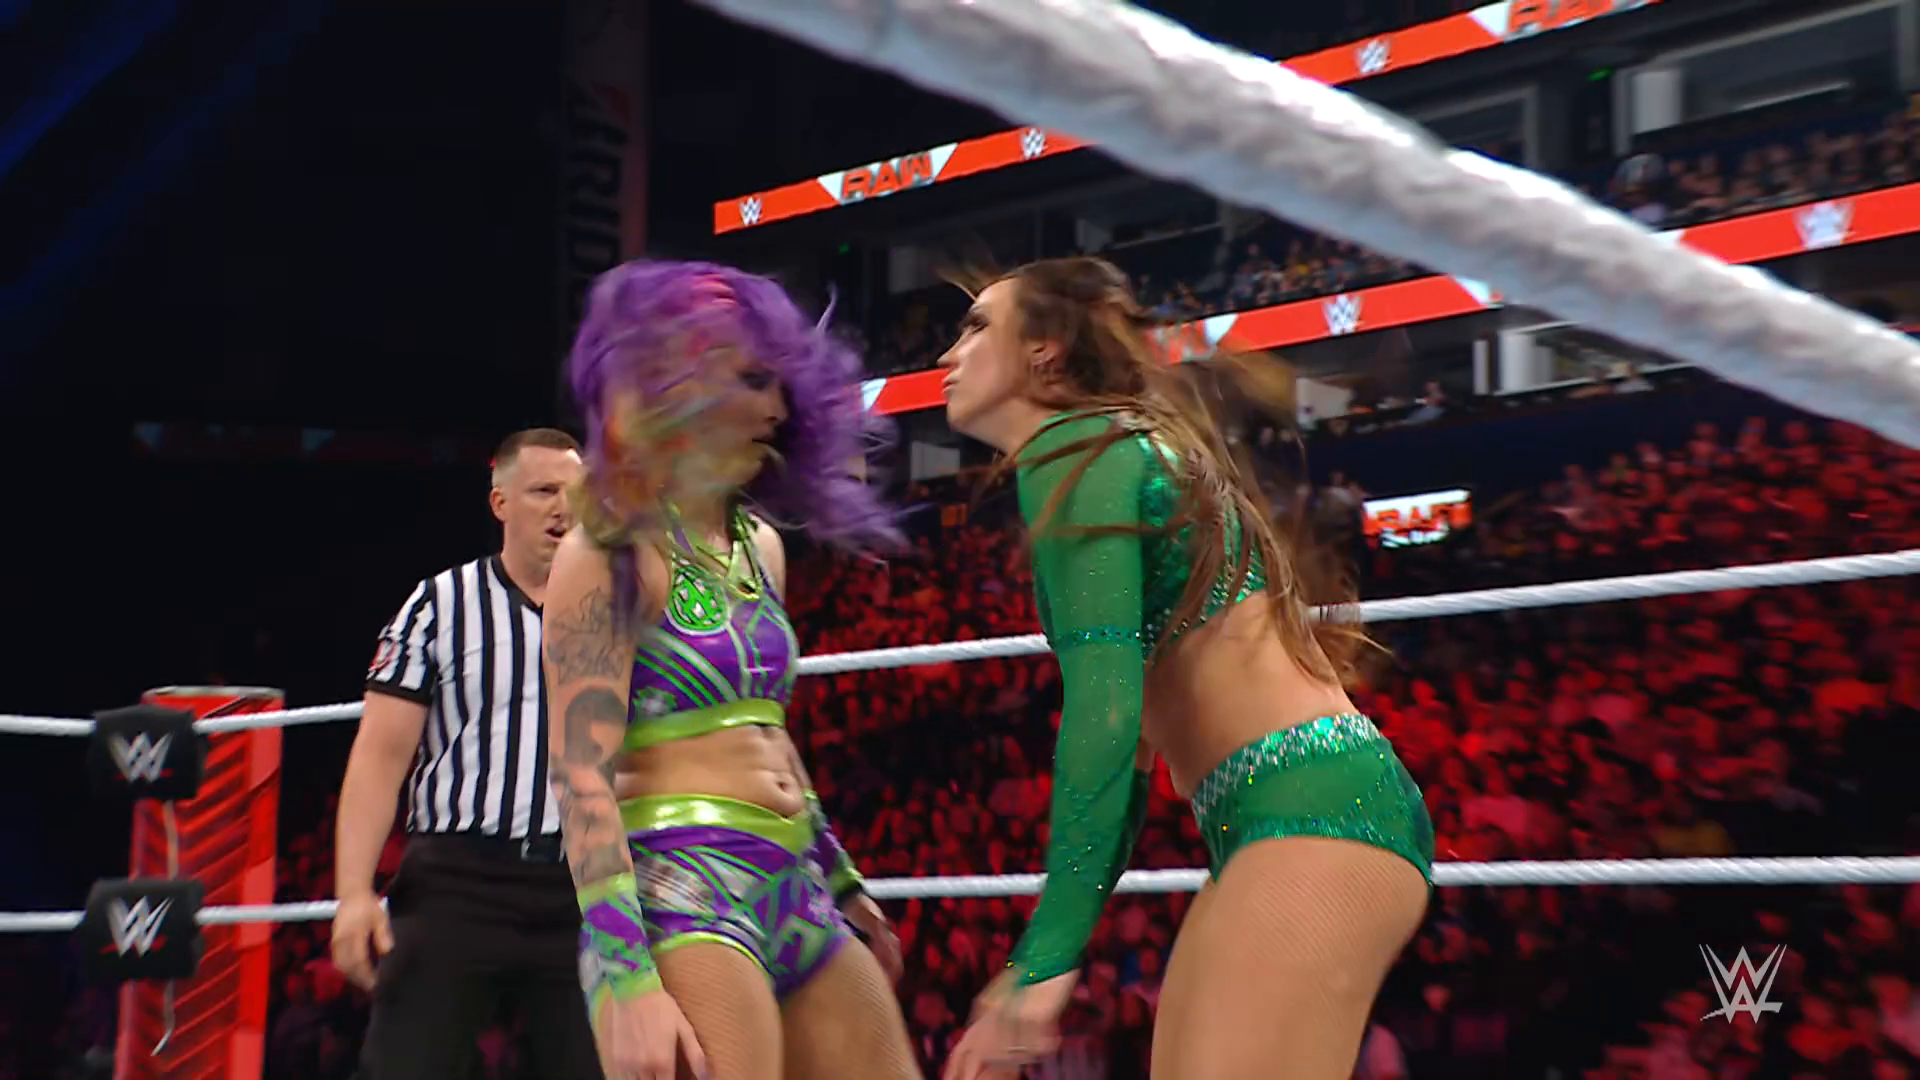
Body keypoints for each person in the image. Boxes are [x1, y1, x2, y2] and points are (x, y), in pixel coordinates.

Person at [934, 257, 1434, 1080]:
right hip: (1290, 814)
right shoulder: (1115, 449)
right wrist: (1054, 948)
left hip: (1314, 816)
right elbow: (1128, 754)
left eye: (978, 325)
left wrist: (1045, 959)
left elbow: (1104, 713)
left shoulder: (1077, 449)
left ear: (1044, 349)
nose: (948, 353)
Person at [542, 259, 922, 1080]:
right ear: (675, 384)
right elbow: (580, 775)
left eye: (781, 384)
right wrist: (626, 976)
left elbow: (768, 736)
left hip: (795, 884)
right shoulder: (609, 551)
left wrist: (841, 878)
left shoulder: (761, 548)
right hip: (679, 889)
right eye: (752, 380)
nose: (776, 408)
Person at [331, 428, 603, 1079]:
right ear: (500, 502)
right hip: (459, 879)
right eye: (543, 491)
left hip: (584, 886)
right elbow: (379, 758)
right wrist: (353, 893)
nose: (563, 508)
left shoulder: (621, 610)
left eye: (576, 493)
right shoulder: (438, 605)